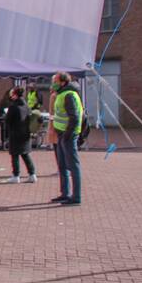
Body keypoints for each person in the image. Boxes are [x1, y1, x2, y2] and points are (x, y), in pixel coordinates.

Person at [51, 72, 84, 205]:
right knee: (62, 165)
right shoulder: (61, 94)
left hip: (68, 135)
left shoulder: (69, 95)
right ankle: (65, 193)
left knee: (73, 166)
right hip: (61, 134)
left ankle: (76, 197)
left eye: (55, 81)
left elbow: (74, 117)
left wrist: (67, 135)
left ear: (63, 82)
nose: (53, 84)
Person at [3, 87, 37, 184]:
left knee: (15, 154)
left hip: (15, 133)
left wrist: (6, 117)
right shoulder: (26, 106)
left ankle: (16, 175)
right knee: (25, 154)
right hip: (26, 133)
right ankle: (32, 174)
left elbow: (8, 120)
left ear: (15, 95)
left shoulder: (13, 107)